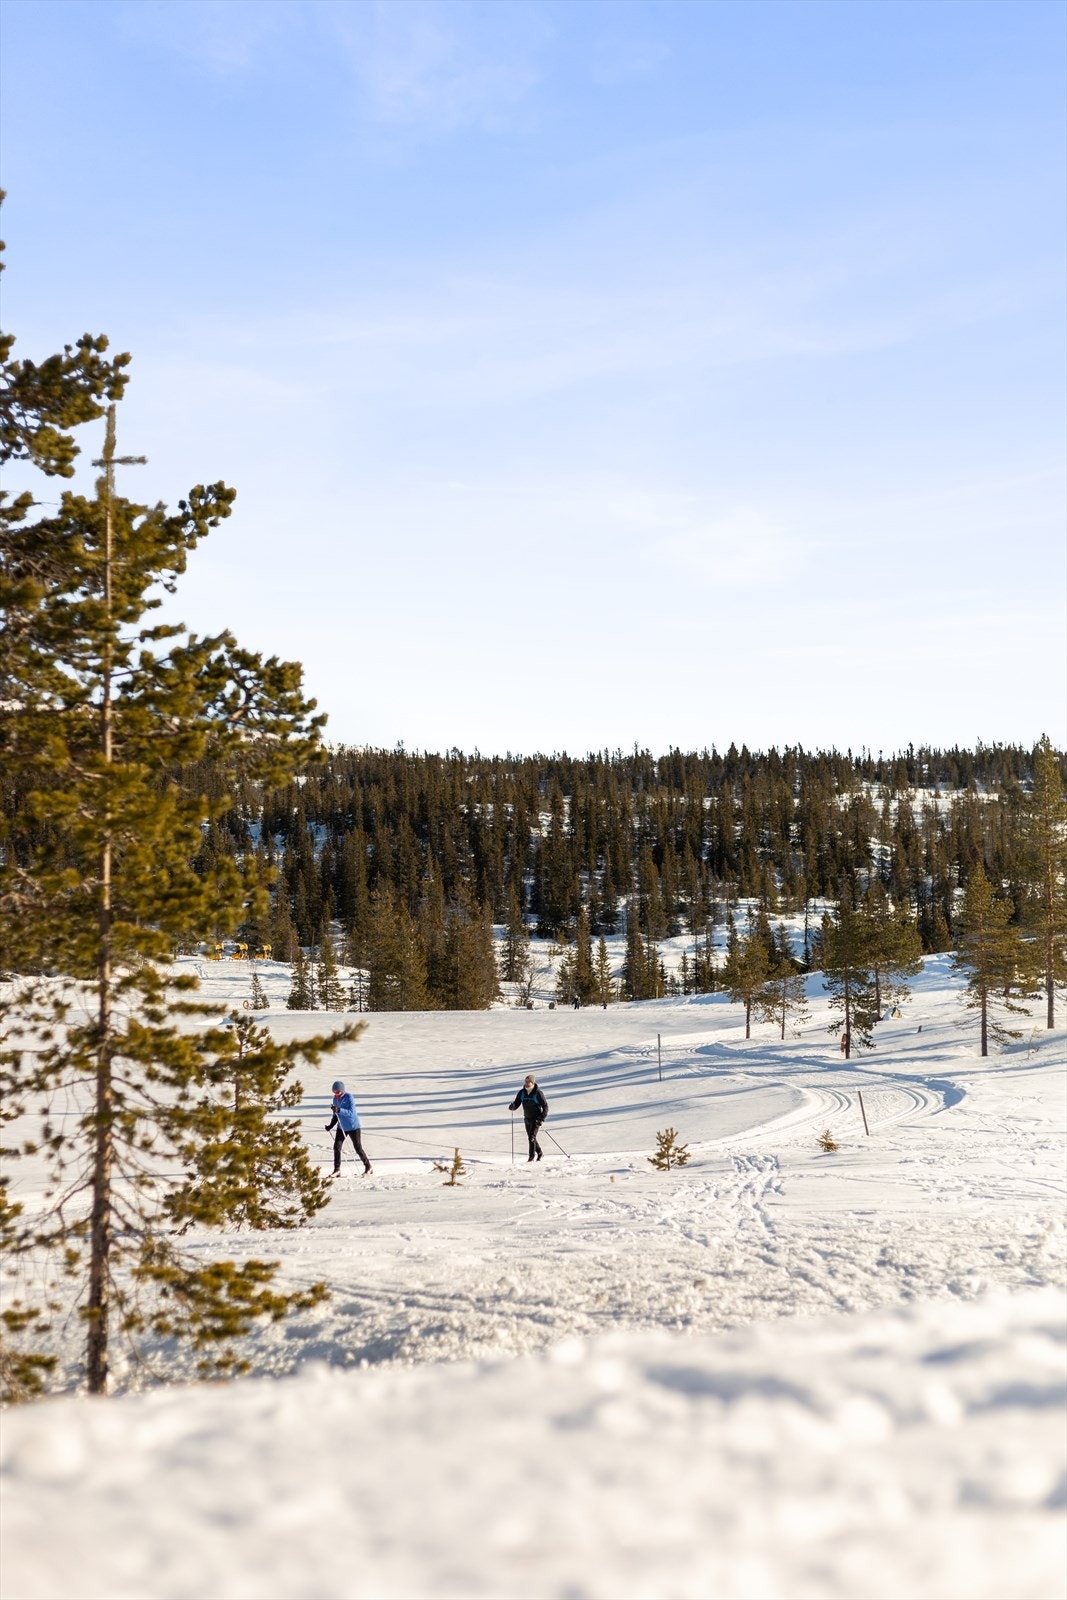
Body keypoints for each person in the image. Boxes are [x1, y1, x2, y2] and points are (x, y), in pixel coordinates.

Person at [326, 1079, 372, 1176]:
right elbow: (336, 1115)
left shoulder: (349, 1097)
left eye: (337, 1092)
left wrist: (339, 1110)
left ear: (342, 1091)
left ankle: (368, 1167)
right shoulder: (335, 1099)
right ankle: (337, 1170)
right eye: (334, 1092)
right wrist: (330, 1125)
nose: (336, 1094)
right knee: (336, 1147)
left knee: (358, 1148)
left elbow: (351, 1113)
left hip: (353, 1126)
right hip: (341, 1127)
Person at [509, 1074, 549, 1162]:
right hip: (527, 1118)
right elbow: (517, 1103)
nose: (526, 1083)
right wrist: (513, 1106)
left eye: (528, 1081)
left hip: (536, 1119)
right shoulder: (522, 1092)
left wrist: (541, 1118)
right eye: (525, 1081)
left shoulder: (538, 1093)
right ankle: (540, 1153)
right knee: (531, 1137)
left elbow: (545, 1107)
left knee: (531, 1137)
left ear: (532, 1082)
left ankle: (531, 1157)